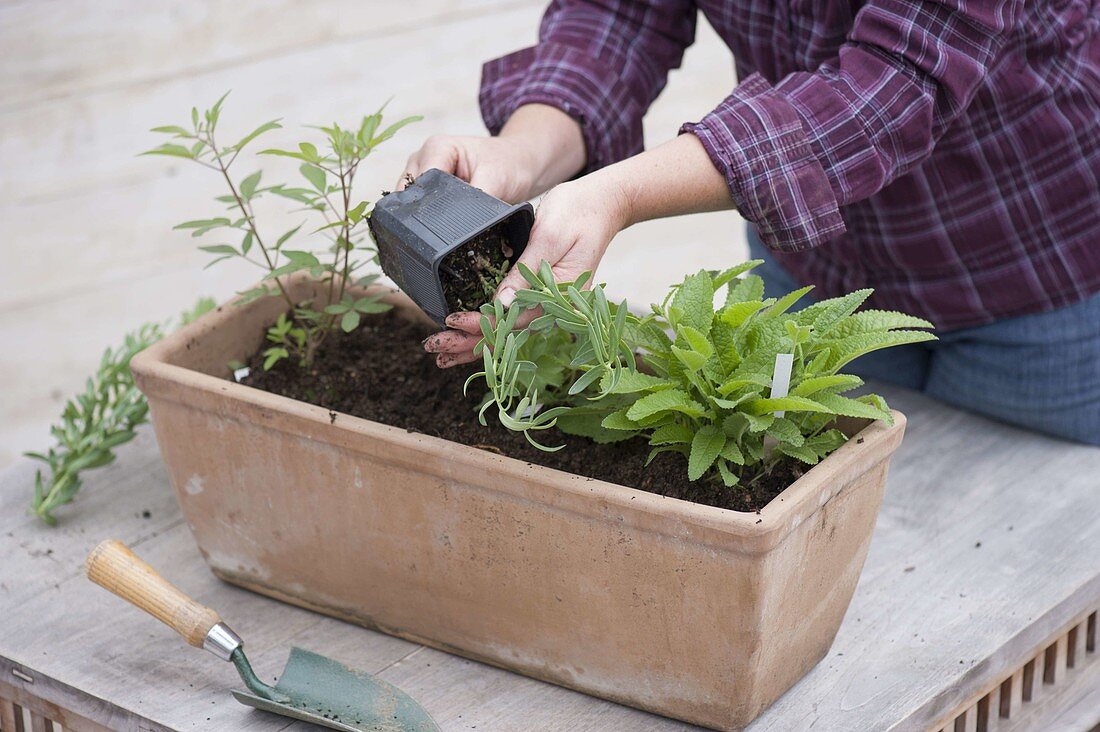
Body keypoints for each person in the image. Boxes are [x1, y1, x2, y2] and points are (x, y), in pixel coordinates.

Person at [407, 0, 1100, 446]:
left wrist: (613, 195)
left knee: (1026, 552)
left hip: (1035, 274)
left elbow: (890, 86)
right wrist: (521, 152)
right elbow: (619, 15)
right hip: (819, 262)